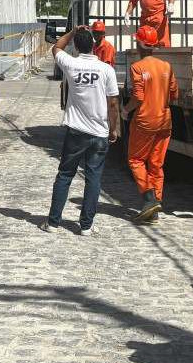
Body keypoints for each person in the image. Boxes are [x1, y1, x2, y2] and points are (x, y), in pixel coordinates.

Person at [42, 25, 120, 236]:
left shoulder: (71, 64)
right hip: (99, 132)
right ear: (94, 46)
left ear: (76, 46)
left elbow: (56, 48)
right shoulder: (106, 70)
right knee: (93, 178)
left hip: (76, 131)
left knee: (65, 175)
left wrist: (73, 31)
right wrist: (113, 129)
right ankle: (86, 226)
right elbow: (113, 103)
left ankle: (53, 223)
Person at [123, 25, 178, 223]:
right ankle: (154, 209)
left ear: (139, 43)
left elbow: (138, 98)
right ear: (154, 45)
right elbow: (174, 94)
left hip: (145, 120)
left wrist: (125, 110)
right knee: (156, 164)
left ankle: (149, 198)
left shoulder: (137, 67)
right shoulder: (166, 66)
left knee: (136, 160)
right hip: (165, 121)